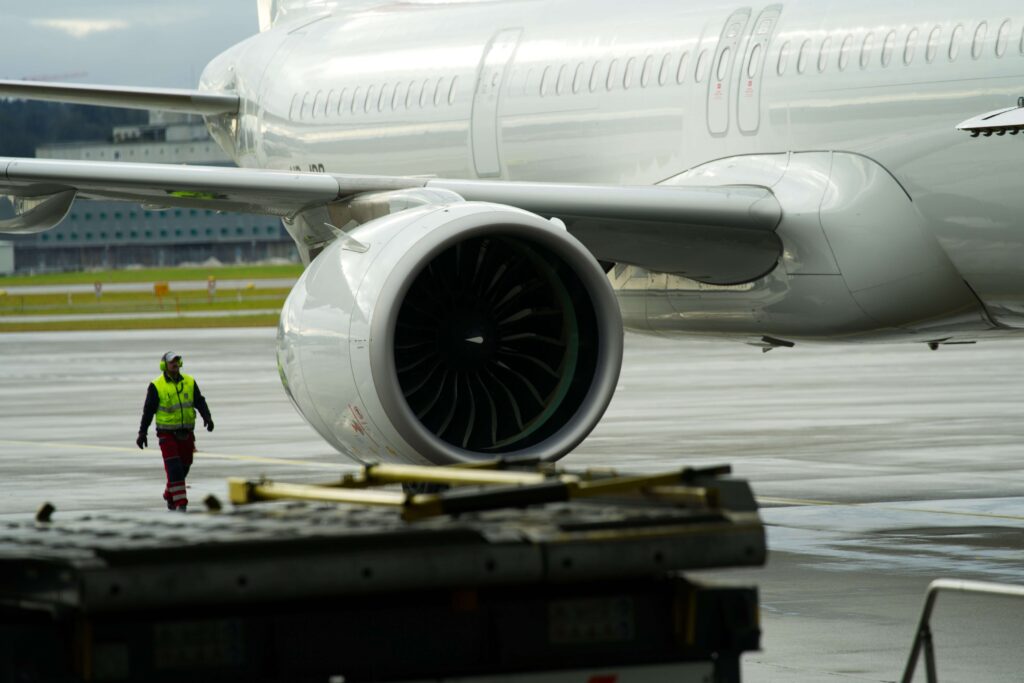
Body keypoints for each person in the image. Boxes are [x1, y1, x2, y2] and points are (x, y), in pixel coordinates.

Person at [137, 351, 214, 511]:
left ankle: (169, 493)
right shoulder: (156, 386)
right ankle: (181, 503)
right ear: (164, 365)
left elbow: (199, 401)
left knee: (185, 465)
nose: (175, 364)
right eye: (172, 361)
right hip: (167, 434)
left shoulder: (190, 382)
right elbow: (148, 411)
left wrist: (207, 417)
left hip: (186, 432)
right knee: (175, 469)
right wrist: (142, 432)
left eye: (177, 361)